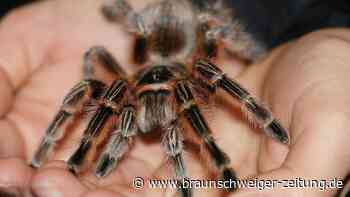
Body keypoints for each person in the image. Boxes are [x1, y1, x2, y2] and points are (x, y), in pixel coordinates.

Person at [0, 0, 348, 196]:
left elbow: (213, 35)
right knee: (94, 92)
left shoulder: (192, 74)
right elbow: (94, 55)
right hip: (143, 66)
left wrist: (264, 108)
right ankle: (74, 159)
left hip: (182, 63)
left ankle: (222, 163)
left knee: (209, 44)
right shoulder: (124, 84)